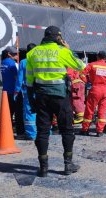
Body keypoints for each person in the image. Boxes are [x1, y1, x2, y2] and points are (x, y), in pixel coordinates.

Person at [26, 26, 85, 177]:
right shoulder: (62, 51)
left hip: (41, 97)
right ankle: (68, 164)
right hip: (60, 97)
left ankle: (43, 168)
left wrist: (33, 100)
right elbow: (81, 66)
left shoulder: (32, 53)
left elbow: (30, 81)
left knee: (43, 131)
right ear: (58, 37)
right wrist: (69, 49)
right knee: (67, 130)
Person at [80, 51, 106, 137]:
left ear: (97, 57)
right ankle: (100, 131)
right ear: (105, 58)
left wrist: (86, 82)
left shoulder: (92, 65)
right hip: (105, 90)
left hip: (95, 89)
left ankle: (85, 129)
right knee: (102, 111)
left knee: (89, 110)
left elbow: (82, 74)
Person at [14, 43, 37, 140]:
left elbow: (19, 79)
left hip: (29, 90)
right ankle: (45, 132)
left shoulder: (23, 62)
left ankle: (31, 134)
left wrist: (16, 91)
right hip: (41, 90)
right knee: (42, 111)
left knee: (29, 112)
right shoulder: (40, 61)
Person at [0, 46, 24, 135]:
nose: (17, 56)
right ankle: (20, 131)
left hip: (6, 90)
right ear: (9, 54)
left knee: (8, 112)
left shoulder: (3, 62)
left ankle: (6, 131)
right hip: (14, 91)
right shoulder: (12, 64)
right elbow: (18, 77)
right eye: (15, 54)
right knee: (18, 113)